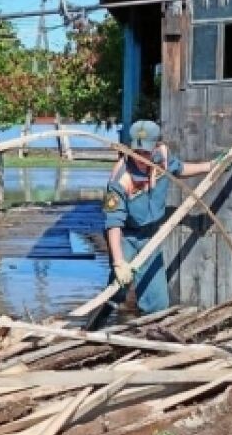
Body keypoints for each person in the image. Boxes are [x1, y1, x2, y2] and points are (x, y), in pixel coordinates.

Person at [86, 120, 216, 331]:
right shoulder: (120, 179)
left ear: (155, 146)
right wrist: (119, 262)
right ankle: (93, 328)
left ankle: (152, 336)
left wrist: (209, 166)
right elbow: (113, 224)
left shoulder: (163, 157)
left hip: (150, 236)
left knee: (157, 299)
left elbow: (180, 168)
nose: (141, 158)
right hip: (126, 235)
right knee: (117, 287)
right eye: (137, 151)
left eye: (146, 152)